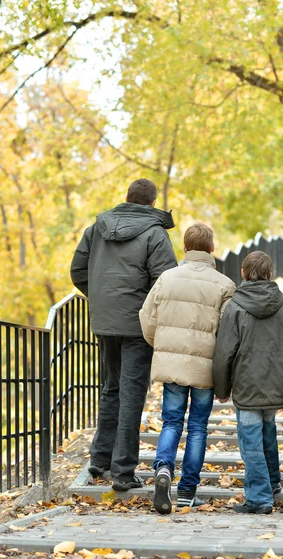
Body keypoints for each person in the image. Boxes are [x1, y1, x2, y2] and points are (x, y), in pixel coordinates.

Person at [70, 178, 177, 491]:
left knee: (112, 388)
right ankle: (123, 471)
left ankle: (100, 461)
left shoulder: (97, 228)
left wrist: (103, 298)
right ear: (153, 203)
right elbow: (165, 282)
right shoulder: (155, 233)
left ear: (127, 198)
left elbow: (77, 271)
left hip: (105, 322)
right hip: (137, 325)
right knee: (131, 393)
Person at [139, 223, 235, 513]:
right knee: (197, 427)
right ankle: (187, 491)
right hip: (205, 368)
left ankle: (164, 468)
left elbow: (147, 316)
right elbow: (228, 331)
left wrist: (162, 346)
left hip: (173, 365)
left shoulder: (166, 278)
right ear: (211, 249)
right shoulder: (224, 284)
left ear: (185, 247)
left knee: (171, 421)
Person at [213, 251, 283, 514]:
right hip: (276, 382)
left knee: (251, 438)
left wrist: (222, 388)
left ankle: (259, 497)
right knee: (267, 433)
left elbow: (224, 353)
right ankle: (273, 482)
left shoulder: (235, 307)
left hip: (247, 384)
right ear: (268, 272)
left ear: (243, 273)